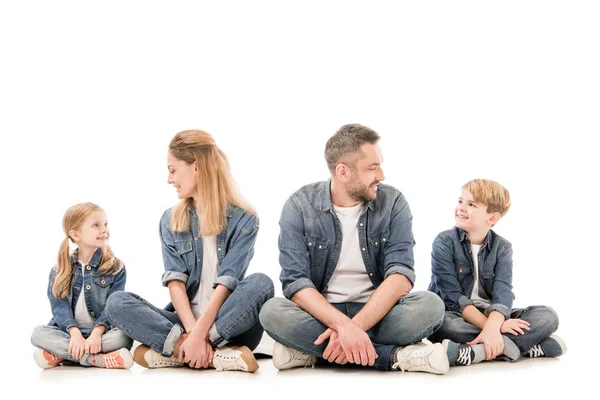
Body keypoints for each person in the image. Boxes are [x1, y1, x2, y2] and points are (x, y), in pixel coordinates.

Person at [259, 123, 449, 374]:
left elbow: (401, 276)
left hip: (378, 313)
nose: (381, 175)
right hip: (322, 314)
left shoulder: (393, 202)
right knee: (272, 312)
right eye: (372, 167)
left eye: (380, 164)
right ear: (343, 172)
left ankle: (313, 352)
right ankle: (394, 356)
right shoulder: (299, 206)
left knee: (431, 306)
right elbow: (296, 284)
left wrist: (354, 327)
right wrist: (342, 326)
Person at [106, 130, 274, 372]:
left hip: (230, 325)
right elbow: (175, 283)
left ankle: (181, 351)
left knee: (261, 283)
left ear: (196, 165)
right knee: (116, 302)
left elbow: (227, 282)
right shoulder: (170, 220)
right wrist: (191, 333)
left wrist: (201, 335)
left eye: (172, 169)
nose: (169, 179)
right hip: (184, 324)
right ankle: (210, 354)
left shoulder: (245, 218)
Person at [428, 178, 566, 367]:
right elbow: (452, 296)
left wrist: (494, 323)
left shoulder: (502, 248)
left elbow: (503, 292)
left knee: (548, 316)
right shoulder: (443, 242)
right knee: (445, 326)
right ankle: (521, 346)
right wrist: (495, 328)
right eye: (460, 201)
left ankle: (477, 352)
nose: (461, 208)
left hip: (492, 314)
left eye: (471, 204)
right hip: (456, 313)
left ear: (492, 218)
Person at [31, 202, 133, 369]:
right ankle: (96, 359)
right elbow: (59, 309)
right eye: (96, 225)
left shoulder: (115, 267)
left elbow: (113, 307)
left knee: (124, 337)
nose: (104, 230)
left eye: (105, 224)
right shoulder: (59, 270)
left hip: (102, 333)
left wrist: (98, 332)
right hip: (69, 333)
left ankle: (62, 354)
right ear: (76, 235)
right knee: (37, 334)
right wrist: (75, 334)